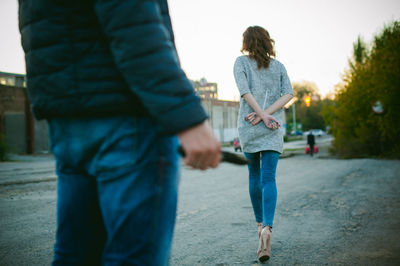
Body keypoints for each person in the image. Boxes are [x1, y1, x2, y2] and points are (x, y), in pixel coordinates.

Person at [18, 0, 221, 265]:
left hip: (68, 118)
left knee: (76, 255)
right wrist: (186, 116)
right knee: (133, 258)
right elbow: (133, 24)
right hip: (127, 118)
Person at [233, 26, 293, 262]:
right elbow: (289, 94)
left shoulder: (240, 62)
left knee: (254, 176)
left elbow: (244, 92)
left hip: (250, 125)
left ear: (247, 42)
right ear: (268, 42)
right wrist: (267, 115)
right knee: (269, 177)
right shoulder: (279, 66)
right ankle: (268, 228)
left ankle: (260, 228)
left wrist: (259, 115)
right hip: (272, 126)